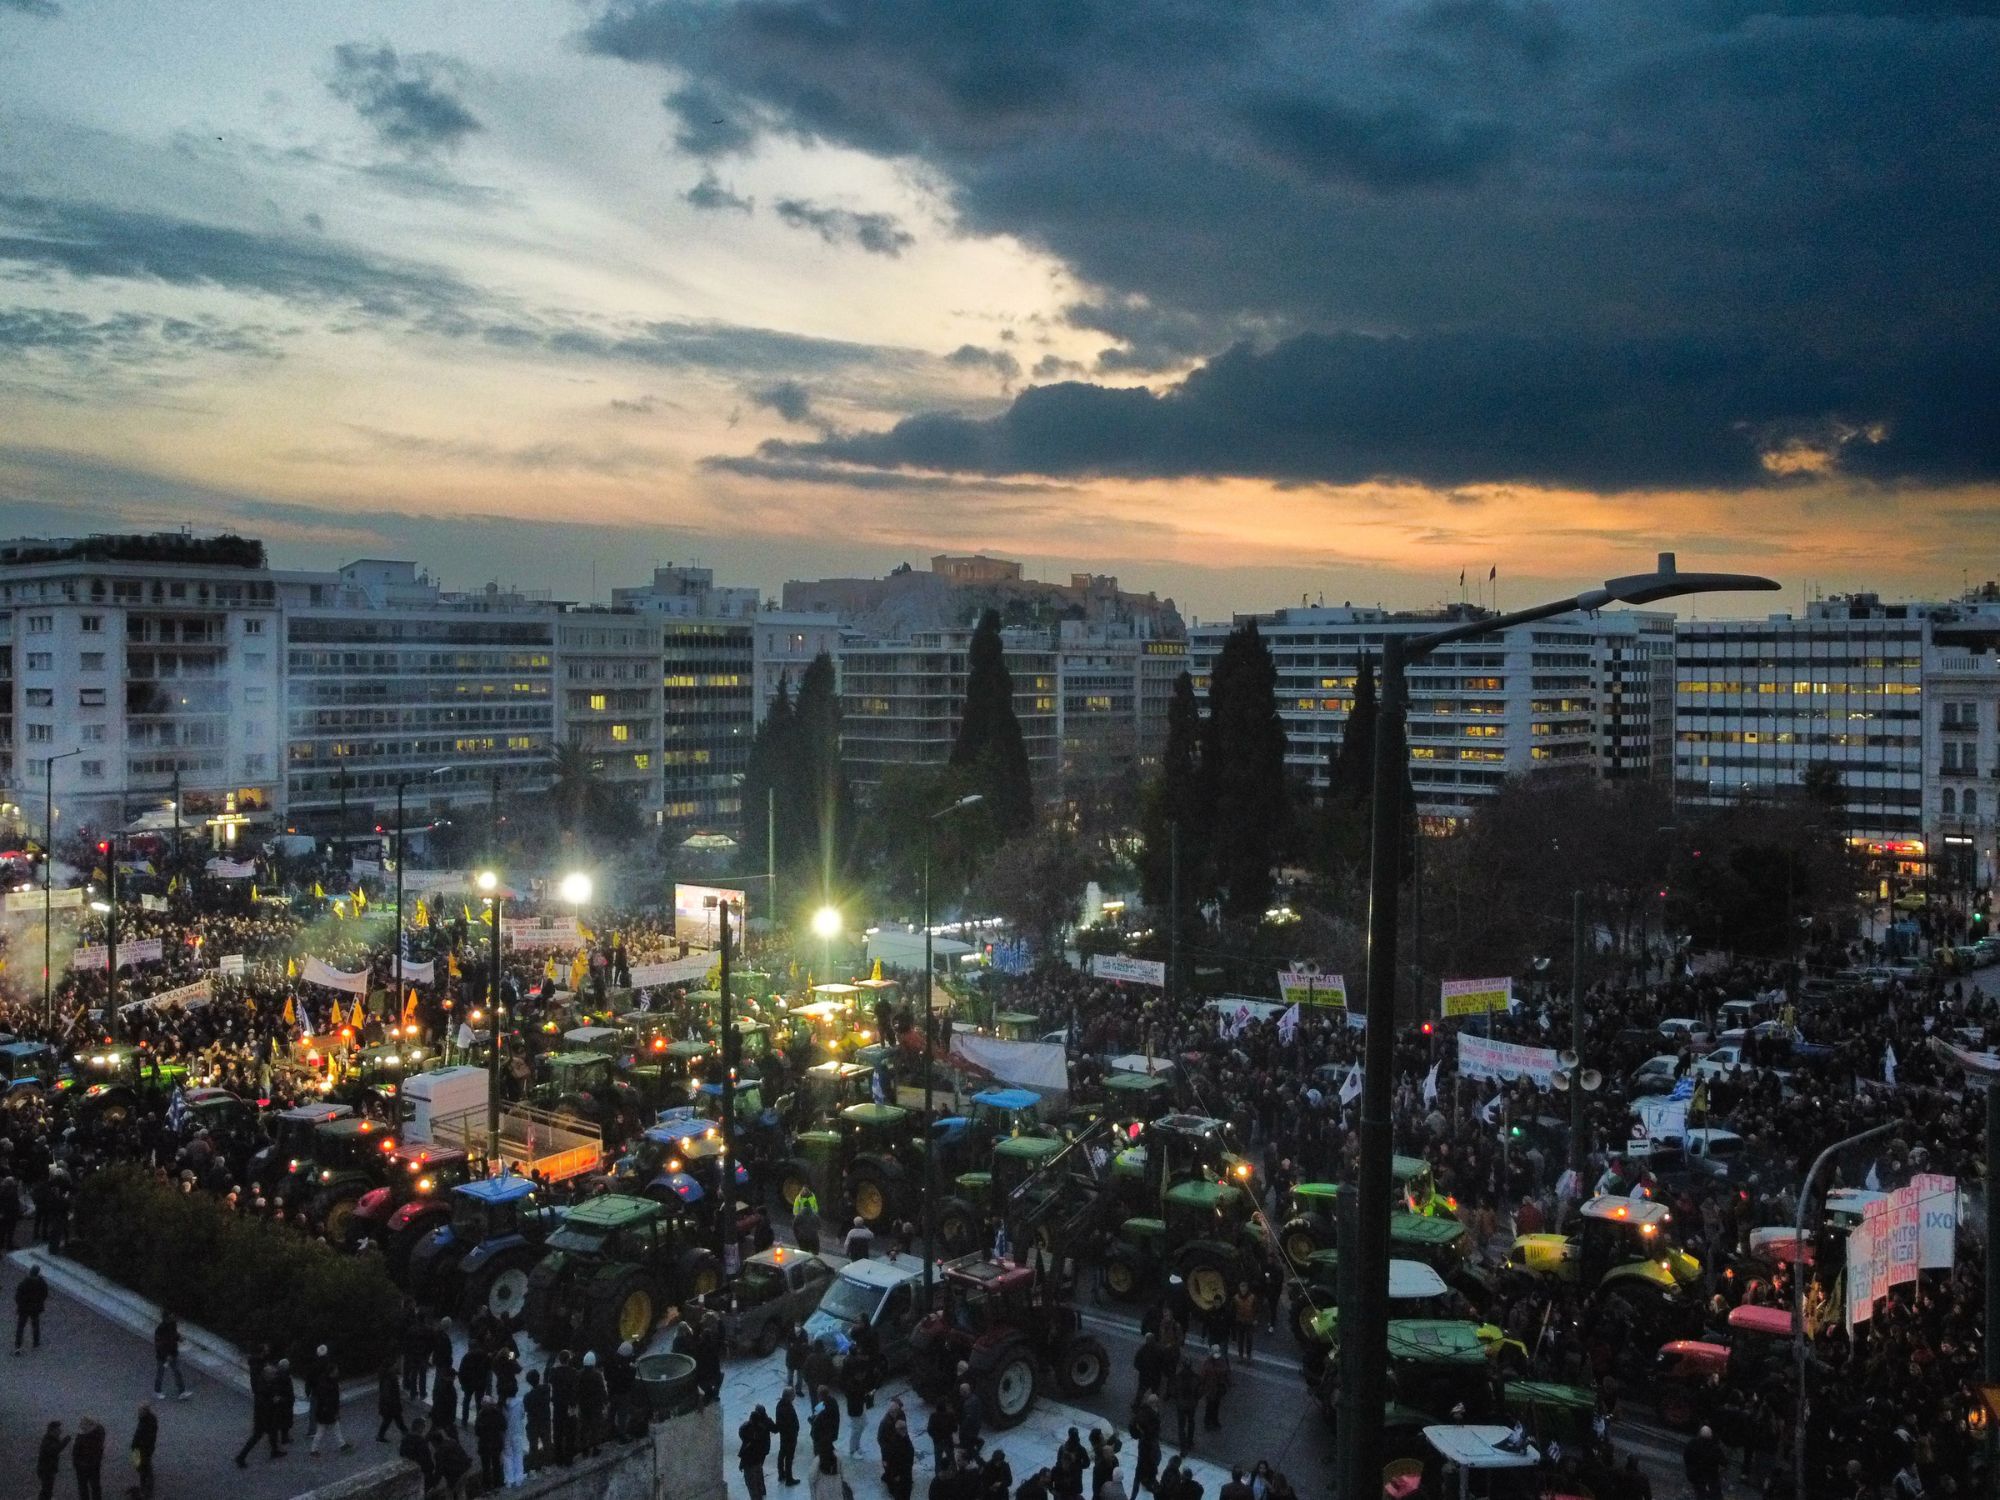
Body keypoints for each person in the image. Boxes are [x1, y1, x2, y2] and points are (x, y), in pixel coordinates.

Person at [308, 1359, 352, 1455]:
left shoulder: (325, 1381)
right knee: (323, 1430)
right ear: (332, 1372)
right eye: (336, 1370)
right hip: (326, 1411)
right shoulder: (329, 1384)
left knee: (330, 1429)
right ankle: (314, 1449)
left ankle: (341, 1444)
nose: (338, 1371)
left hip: (324, 1411)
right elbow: (329, 1399)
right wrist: (334, 1412)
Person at [740, 1403, 776, 1500]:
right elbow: (775, 1429)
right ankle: (761, 1489)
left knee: (752, 1483)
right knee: (759, 1471)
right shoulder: (764, 1425)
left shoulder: (748, 1430)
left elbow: (742, 1433)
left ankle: (760, 1491)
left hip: (752, 1460)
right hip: (761, 1453)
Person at [150, 1313, 188, 1400]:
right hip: (163, 1356)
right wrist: (166, 1356)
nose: (173, 1318)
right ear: (166, 1318)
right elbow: (159, 1345)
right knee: (161, 1373)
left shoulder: (172, 1325)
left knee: (177, 1371)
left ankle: (182, 1391)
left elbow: (174, 1335)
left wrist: (179, 1338)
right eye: (170, 1317)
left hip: (172, 1353)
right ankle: (157, 1391)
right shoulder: (160, 1330)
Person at [578, 1350, 608, 1456]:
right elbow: (601, 1389)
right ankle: (595, 1448)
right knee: (595, 1427)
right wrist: (605, 1401)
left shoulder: (579, 1374)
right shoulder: (597, 1375)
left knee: (584, 1427)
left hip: (583, 1405)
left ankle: (584, 1449)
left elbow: (576, 1390)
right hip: (595, 1406)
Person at [474, 1396, 507, 1492]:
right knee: (496, 1464)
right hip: (496, 1443)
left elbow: (477, 1431)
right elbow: (504, 1426)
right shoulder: (497, 1413)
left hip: (485, 1445)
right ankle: (498, 1483)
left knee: (486, 1467)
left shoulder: (481, 1416)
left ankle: (487, 1486)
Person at [15, 1262, 49, 1353]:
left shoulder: (24, 1283)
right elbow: (45, 1294)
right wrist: (39, 1302)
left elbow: (18, 1296)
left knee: (21, 1326)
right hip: (35, 1308)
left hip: (24, 1308)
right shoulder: (42, 1283)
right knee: (35, 1325)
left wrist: (20, 1304)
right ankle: (36, 1342)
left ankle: (18, 1345)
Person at [1683, 1424, 1724, 1500]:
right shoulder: (1714, 1447)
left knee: (1700, 1491)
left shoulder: (1692, 1444)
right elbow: (1723, 1462)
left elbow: (1686, 1456)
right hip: (1710, 1476)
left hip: (1694, 1473)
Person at [126, 1403, 157, 1500]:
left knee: (143, 1467)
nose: (138, 1413)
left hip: (141, 1450)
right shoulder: (151, 1420)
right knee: (142, 1467)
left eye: (140, 1411)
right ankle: (144, 1487)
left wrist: (136, 1447)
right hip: (143, 1449)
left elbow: (142, 1438)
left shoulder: (146, 1423)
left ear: (145, 1412)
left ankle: (146, 1489)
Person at [523, 1368, 552, 1472]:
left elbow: (526, 1409)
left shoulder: (527, 1397)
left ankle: (534, 1469)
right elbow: (546, 1382)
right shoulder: (546, 1389)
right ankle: (548, 1466)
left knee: (533, 1447)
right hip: (545, 1421)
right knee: (547, 1444)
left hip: (533, 1423)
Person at [71, 1416, 105, 1500]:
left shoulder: (81, 1437)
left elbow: (75, 1452)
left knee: (84, 1488)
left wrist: (76, 1463)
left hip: (83, 1466)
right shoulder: (98, 1435)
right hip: (92, 1466)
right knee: (95, 1488)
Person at [1198, 1346, 1230, 1431]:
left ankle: (1211, 1422)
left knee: (1213, 1406)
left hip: (1213, 1388)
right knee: (1211, 1406)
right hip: (1212, 1388)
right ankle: (1211, 1422)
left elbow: (1202, 1375)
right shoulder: (1219, 1362)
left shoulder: (1208, 1362)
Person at [376, 1355, 407, 1442]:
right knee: (394, 1420)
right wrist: (393, 1404)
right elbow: (387, 1394)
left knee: (392, 1420)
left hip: (389, 1405)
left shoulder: (387, 1376)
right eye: (394, 1365)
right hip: (391, 1405)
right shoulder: (389, 1378)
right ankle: (405, 1433)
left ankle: (380, 1436)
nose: (396, 1366)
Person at [775, 1387, 802, 1485]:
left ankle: (781, 1474)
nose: (794, 1397)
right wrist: (795, 1431)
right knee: (789, 1457)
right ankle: (789, 1478)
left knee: (782, 1454)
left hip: (784, 1435)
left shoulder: (780, 1405)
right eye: (793, 1395)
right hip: (790, 1436)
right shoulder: (788, 1408)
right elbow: (791, 1423)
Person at [36, 1421, 68, 1500]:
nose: (60, 1431)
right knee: (47, 1491)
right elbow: (55, 1450)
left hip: (47, 1469)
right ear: (53, 1430)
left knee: (47, 1490)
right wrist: (66, 1440)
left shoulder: (50, 1439)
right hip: (46, 1470)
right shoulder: (49, 1439)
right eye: (58, 1429)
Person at [794, 1188, 822, 1254]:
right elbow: (819, 1226)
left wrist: (798, 1235)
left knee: (803, 1253)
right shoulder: (814, 1216)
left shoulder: (799, 1215)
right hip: (813, 1237)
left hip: (803, 1237)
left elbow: (794, 1226)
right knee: (814, 1253)